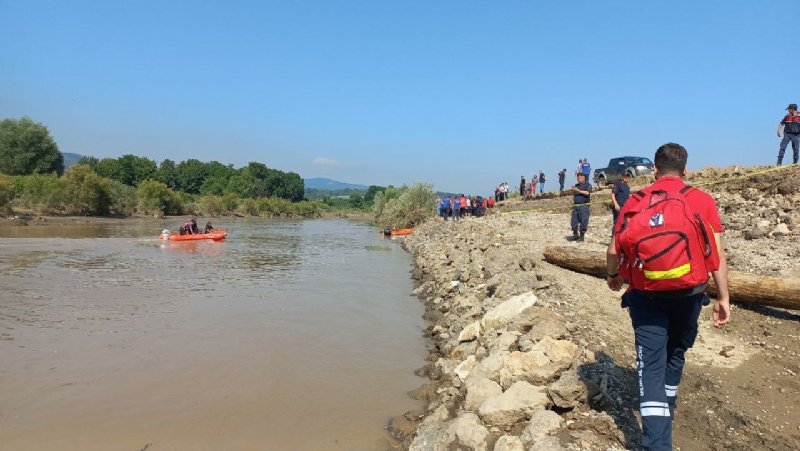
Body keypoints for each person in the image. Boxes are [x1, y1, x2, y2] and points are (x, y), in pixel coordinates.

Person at [606, 142, 730, 451]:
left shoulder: (636, 200)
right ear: (685, 171)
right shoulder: (700, 199)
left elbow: (612, 250)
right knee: (676, 352)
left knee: (650, 367)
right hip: (690, 293)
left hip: (645, 296)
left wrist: (612, 277)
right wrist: (724, 298)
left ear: (655, 171)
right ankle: (668, 409)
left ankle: (657, 443)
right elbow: (716, 253)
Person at [570, 173, 592, 241]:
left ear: (584, 177)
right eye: (578, 177)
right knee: (574, 221)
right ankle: (575, 234)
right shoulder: (576, 185)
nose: (578, 178)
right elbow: (574, 194)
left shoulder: (588, 185)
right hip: (576, 206)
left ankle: (582, 236)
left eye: (580, 177)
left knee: (583, 221)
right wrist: (573, 191)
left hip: (584, 206)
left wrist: (578, 191)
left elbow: (587, 193)